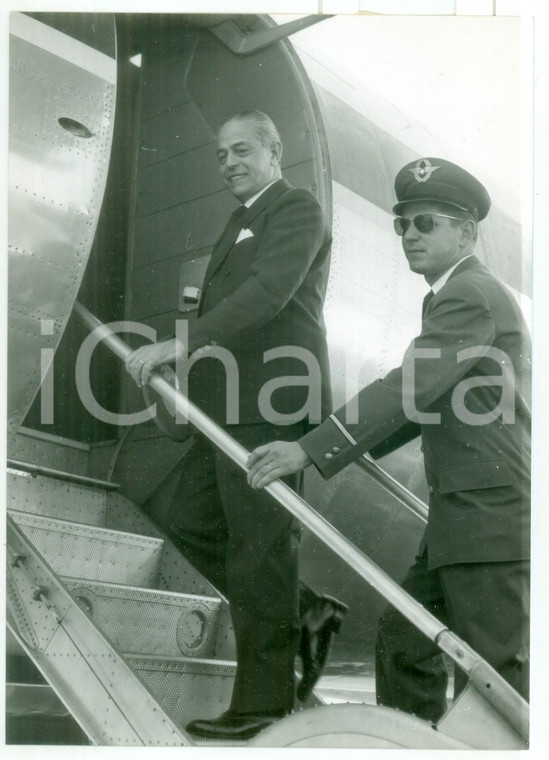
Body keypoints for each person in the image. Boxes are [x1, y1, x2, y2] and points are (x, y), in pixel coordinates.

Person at [247, 157, 531, 723]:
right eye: (403, 224)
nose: (409, 236)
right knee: (404, 641)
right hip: (461, 516)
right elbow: (425, 397)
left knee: (497, 680)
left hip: (487, 518)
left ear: (466, 232)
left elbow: (412, 384)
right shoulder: (451, 295)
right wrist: (327, 438)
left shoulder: (468, 294)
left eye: (426, 223)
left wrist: (313, 449)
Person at [126, 111, 346, 740]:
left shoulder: (295, 209)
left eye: (242, 150)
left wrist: (179, 343)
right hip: (225, 407)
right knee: (178, 511)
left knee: (259, 551)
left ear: (276, 150)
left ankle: (263, 707)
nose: (229, 163)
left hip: (271, 404)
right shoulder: (238, 221)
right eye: (221, 155)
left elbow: (269, 293)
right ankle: (301, 610)